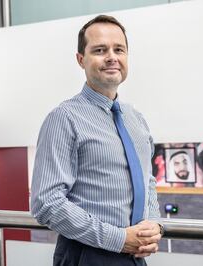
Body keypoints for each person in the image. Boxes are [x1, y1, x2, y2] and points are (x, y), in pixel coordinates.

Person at [30, 15, 162, 266]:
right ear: (81, 60)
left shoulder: (136, 119)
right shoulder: (64, 118)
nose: (112, 57)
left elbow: (148, 179)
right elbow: (46, 202)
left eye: (119, 49)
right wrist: (118, 238)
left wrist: (153, 224)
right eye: (100, 50)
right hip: (87, 255)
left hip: (135, 255)